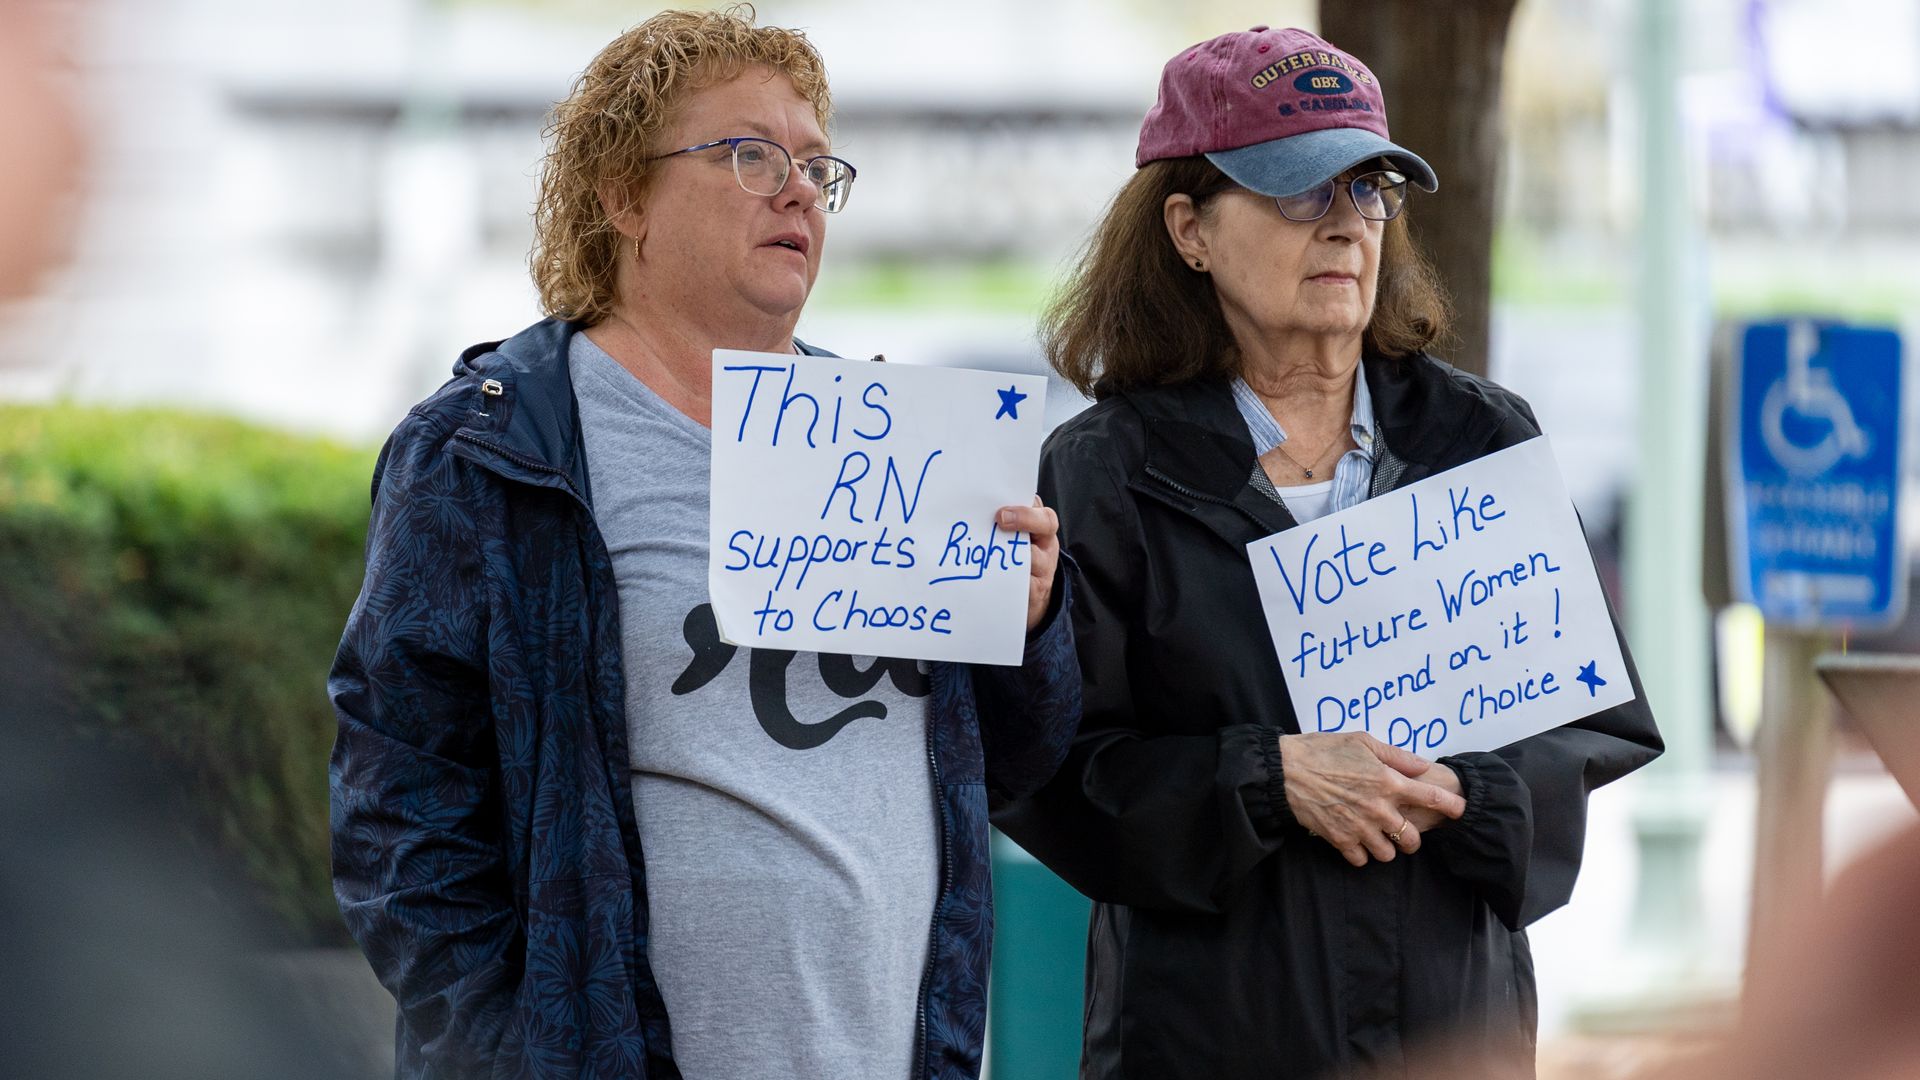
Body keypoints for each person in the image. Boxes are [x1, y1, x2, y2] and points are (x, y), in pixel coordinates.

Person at [328, 9, 1080, 1079]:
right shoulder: (491, 451)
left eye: (820, 167)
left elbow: (1018, 765)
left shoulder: (896, 446)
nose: (801, 191)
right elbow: (399, 815)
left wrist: (1035, 621)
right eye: (751, 155)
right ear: (623, 194)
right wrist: (515, 1054)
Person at [992, 26, 1661, 1080]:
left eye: (1371, 190)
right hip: (1206, 1044)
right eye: (1302, 193)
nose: (1347, 226)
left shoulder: (1479, 440)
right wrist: (1270, 780)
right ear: (1189, 229)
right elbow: (1055, 778)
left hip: (1453, 1040)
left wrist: (1461, 791)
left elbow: (1590, 725)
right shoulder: (1103, 473)